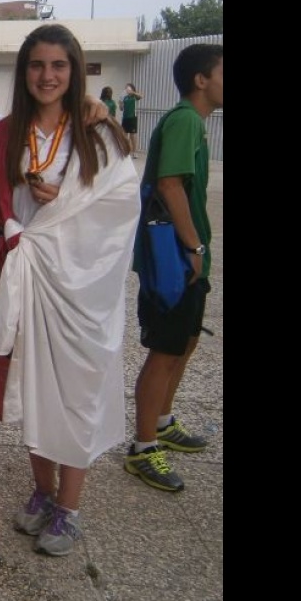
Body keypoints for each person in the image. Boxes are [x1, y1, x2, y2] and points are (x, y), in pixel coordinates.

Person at [0, 23, 138, 557]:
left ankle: (69, 508)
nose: (46, 76)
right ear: (23, 71)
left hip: (81, 288)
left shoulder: (98, 135)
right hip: (33, 279)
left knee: (76, 394)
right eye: (36, 65)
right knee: (34, 390)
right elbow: (3, 201)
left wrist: (64, 227)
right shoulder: (9, 133)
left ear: (74, 72)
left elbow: (119, 213)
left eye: (58, 66)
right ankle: (43, 491)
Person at [125, 43, 222, 492]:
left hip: (183, 258)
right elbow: (168, 182)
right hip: (173, 258)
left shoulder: (193, 123)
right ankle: (144, 447)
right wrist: (193, 245)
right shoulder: (184, 120)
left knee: (183, 343)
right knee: (164, 351)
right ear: (201, 79)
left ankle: (162, 422)